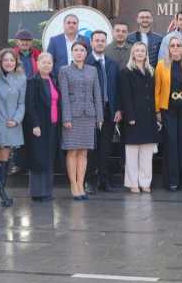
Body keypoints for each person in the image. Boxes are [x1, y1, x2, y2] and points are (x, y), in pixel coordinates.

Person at [60, 41, 103, 201]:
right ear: (72, 53)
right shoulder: (64, 70)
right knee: (72, 151)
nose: (79, 53)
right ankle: (74, 185)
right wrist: (66, 117)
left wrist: (99, 117)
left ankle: (81, 184)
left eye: (82, 50)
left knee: (84, 152)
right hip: (72, 116)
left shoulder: (92, 70)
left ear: (86, 53)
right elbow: (64, 96)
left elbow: (97, 94)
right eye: (76, 50)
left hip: (89, 116)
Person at [155, 38, 182, 191]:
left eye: (178, 45)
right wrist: (157, 110)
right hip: (168, 110)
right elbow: (157, 90)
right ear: (168, 49)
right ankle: (172, 180)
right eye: (172, 46)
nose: (176, 48)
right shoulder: (161, 65)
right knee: (171, 144)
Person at [119, 42, 158, 193]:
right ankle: (132, 183)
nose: (140, 53)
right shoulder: (126, 72)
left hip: (149, 117)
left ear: (146, 54)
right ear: (133, 54)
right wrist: (130, 116)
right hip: (133, 117)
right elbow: (125, 96)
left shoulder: (151, 71)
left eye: (142, 51)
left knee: (147, 153)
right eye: (137, 51)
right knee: (132, 153)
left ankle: (145, 182)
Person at [86, 30, 120, 192]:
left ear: (106, 43)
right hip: (90, 112)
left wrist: (118, 109)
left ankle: (104, 180)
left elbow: (117, 89)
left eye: (102, 40)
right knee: (91, 148)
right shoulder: (86, 63)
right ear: (91, 42)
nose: (100, 43)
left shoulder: (113, 64)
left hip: (108, 110)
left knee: (106, 147)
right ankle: (89, 181)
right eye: (97, 40)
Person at [24, 53, 60, 201]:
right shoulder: (32, 81)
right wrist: (35, 124)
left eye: (49, 63)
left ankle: (47, 191)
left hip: (52, 124)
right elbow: (30, 105)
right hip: (39, 125)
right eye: (44, 62)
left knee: (49, 158)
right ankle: (37, 193)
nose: (47, 65)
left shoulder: (53, 80)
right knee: (38, 157)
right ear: (37, 64)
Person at [0, 48, 25, 206]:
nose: (9, 63)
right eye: (5, 60)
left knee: (5, 158)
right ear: (0, 61)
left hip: (11, 124)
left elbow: (22, 103)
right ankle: (2, 194)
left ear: (16, 62)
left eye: (12, 60)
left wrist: (17, 120)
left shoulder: (21, 78)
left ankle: (0, 193)